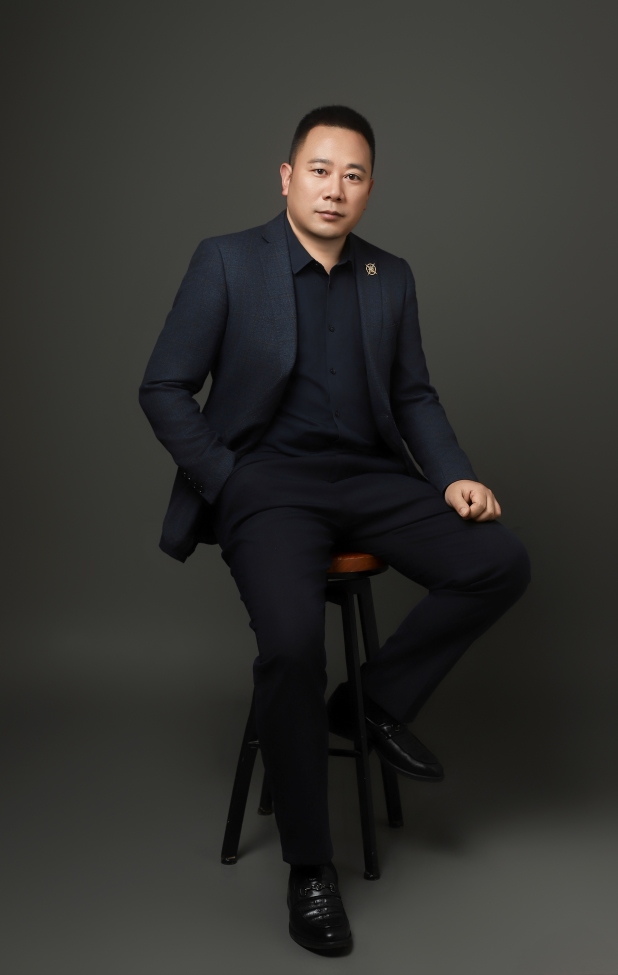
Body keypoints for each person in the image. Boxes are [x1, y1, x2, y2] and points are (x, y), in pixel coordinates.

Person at [139, 105, 530, 952]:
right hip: (268, 485)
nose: (334, 189)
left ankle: (367, 703)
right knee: (290, 644)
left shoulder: (392, 275)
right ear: (287, 177)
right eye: (319, 170)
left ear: (369, 189)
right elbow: (163, 387)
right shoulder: (227, 260)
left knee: (498, 560)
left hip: (370, 478)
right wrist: (228, 480)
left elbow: (413, 395)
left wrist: (454, 474)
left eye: (353, 176)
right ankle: (310, 869)